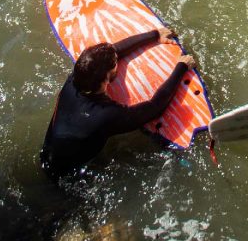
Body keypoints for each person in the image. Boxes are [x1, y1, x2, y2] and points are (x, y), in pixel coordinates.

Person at [41, 27, 195, 178]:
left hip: (47, 156)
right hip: (69, 176)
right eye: (114, 66)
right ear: (104, 79)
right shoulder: (105, 114)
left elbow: (114, 50)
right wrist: (182, 67)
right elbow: (155, 107)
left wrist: (155, 35)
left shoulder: (75, 79)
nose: (117, 63)